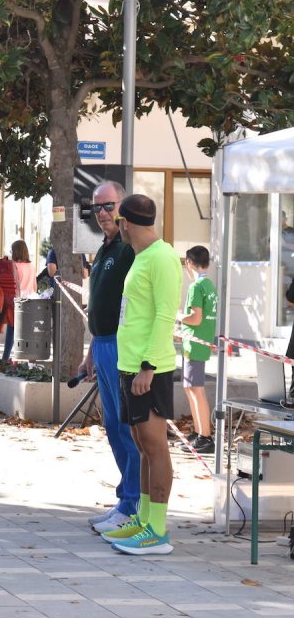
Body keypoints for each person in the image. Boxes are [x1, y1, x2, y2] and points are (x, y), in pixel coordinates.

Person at [105, 194, 182, 555]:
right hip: (129, 364)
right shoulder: (142, 257)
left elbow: (166, 316)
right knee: (141, 446)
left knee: (155, 446)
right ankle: (144, 520)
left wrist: (148, 367)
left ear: (125, 223)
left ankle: (158, 529)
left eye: (117, 220)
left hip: (149, 369)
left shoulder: (163, 257)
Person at [76, 182, 141, 536]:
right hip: (102, 344)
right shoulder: (102, 249)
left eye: (107, 206)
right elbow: (100, 304)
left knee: (128, 428)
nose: (101, 213)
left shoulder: (129, 249)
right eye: (95, 208)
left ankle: (133, 504)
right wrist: (89, 352)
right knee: (113, 426)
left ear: (122, 206)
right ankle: (124, 500)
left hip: (122, 344)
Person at [178, 245, 218, 454]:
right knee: (189, 387)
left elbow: (196, 318)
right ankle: (197, 432)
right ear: (208, 263)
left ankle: (205, 436)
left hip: (194, 343)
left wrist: (177, 316)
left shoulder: (196, 287)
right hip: (196, 342)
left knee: (196, 390)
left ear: (189, 264)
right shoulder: (209, 285)